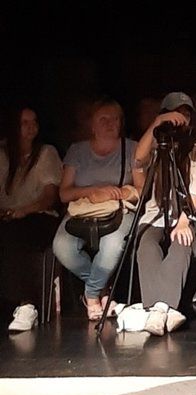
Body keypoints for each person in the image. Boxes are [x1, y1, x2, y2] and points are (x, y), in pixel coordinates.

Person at [132, 92, 196, 335]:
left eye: (186, 113)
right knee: (146, 243)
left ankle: (162, 308)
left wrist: (184, 220)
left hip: (191, 210)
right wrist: (158, 124)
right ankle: (158, 311)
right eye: (175, 113)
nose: (181, 118)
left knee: (182, 240)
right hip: (159, 211)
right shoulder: (159, 140)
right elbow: (138, 160)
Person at [52, 98, 138, 321]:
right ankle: (103, 290)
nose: (110, 124)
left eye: (115, 119)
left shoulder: (131, 148)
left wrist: (119, 193)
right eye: (103, 119)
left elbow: (142, 189)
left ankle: (91, 296)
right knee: (63, 247)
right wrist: (93, 191)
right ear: (92, 125)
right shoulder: (78, 150)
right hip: (84, 210)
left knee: (112, 246)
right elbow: (64, 193)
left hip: (118, 209)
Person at [0, 106, 63, 331]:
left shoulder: (46, 153)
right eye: (24, 123)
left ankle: (26, 304)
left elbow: (49, 197)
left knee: (17, 235)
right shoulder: (3, 154)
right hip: (8, 217)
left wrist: (23, 211)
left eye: (34, 122)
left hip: (38, 216)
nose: (31, 127)